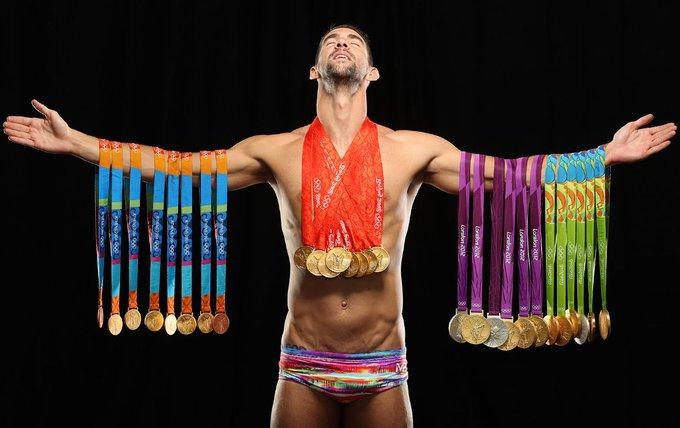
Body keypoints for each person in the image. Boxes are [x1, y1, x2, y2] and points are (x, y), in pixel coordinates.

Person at [3, 24, 675, 428]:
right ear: (315, 69)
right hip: (302, 362)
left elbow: (505, 175)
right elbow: (183, 169)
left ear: (373, 70)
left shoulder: (413, 148)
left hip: (384, 360)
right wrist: (84, 146)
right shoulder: (276, 149)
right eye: (331, 39)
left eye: (353, 39)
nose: (341, 42)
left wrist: (601, 156)